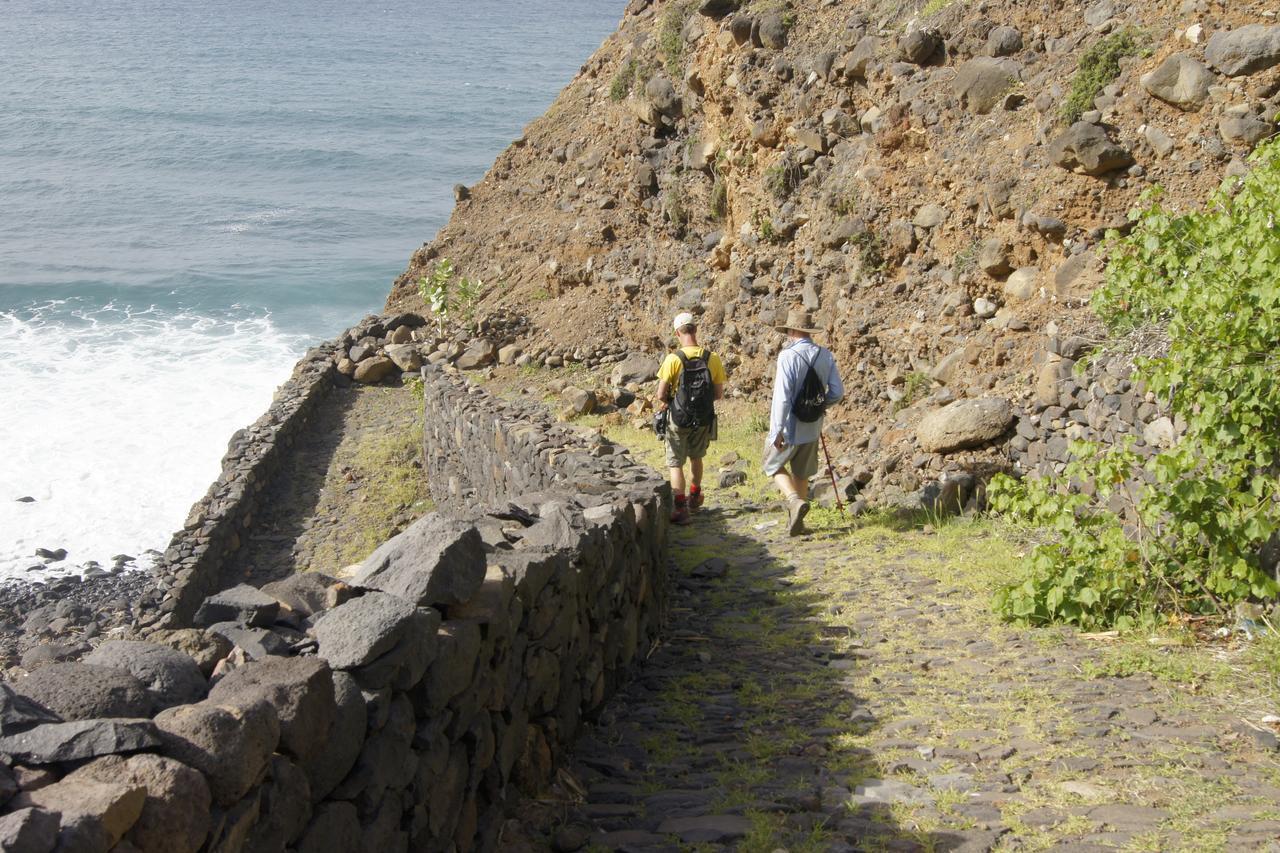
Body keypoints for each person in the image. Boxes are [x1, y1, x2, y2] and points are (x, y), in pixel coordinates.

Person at [764, 307, 844, 536]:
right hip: (812, 425)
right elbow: (838, 392)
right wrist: (819, 406)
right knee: (801, 472)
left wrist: (776, 431)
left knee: (771, 465)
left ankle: (793, 501)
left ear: (791, 331)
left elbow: (782, 398)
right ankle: (796, 524)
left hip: (789, 426)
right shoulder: (825, 355)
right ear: (808, 331)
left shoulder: (787, 356)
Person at [654, 312, 726, 524]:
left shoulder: (673, 359)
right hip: (703, 418)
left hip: (678, 418)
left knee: (675, 463)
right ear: (695, 329)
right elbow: (719, 394)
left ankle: (680, 508)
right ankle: (694, 498)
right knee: (697, 457)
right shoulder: (712, 358)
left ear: (678, 333)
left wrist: (671, 401)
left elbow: (660, 394)